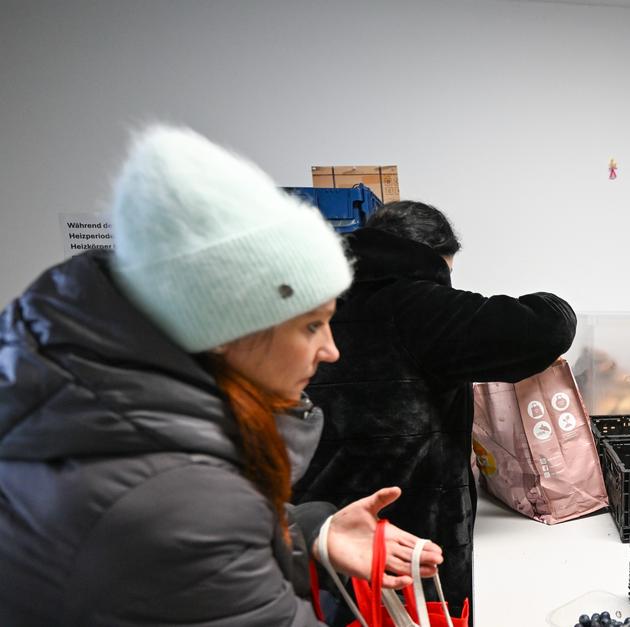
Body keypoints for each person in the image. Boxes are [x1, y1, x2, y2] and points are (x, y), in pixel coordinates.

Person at [0, 126, 443, 625]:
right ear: (226, 331)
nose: (331, 350)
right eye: (311, 325)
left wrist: (311, 533)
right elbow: (184, 523)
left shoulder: (79, 406)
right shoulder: (180, 501)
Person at [293, 200, 577, 621]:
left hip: (314, 534)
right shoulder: (416, 306)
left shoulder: (312, 305)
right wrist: (551, 299)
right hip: (408, 546)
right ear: (431, 258)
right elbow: (548, 326)